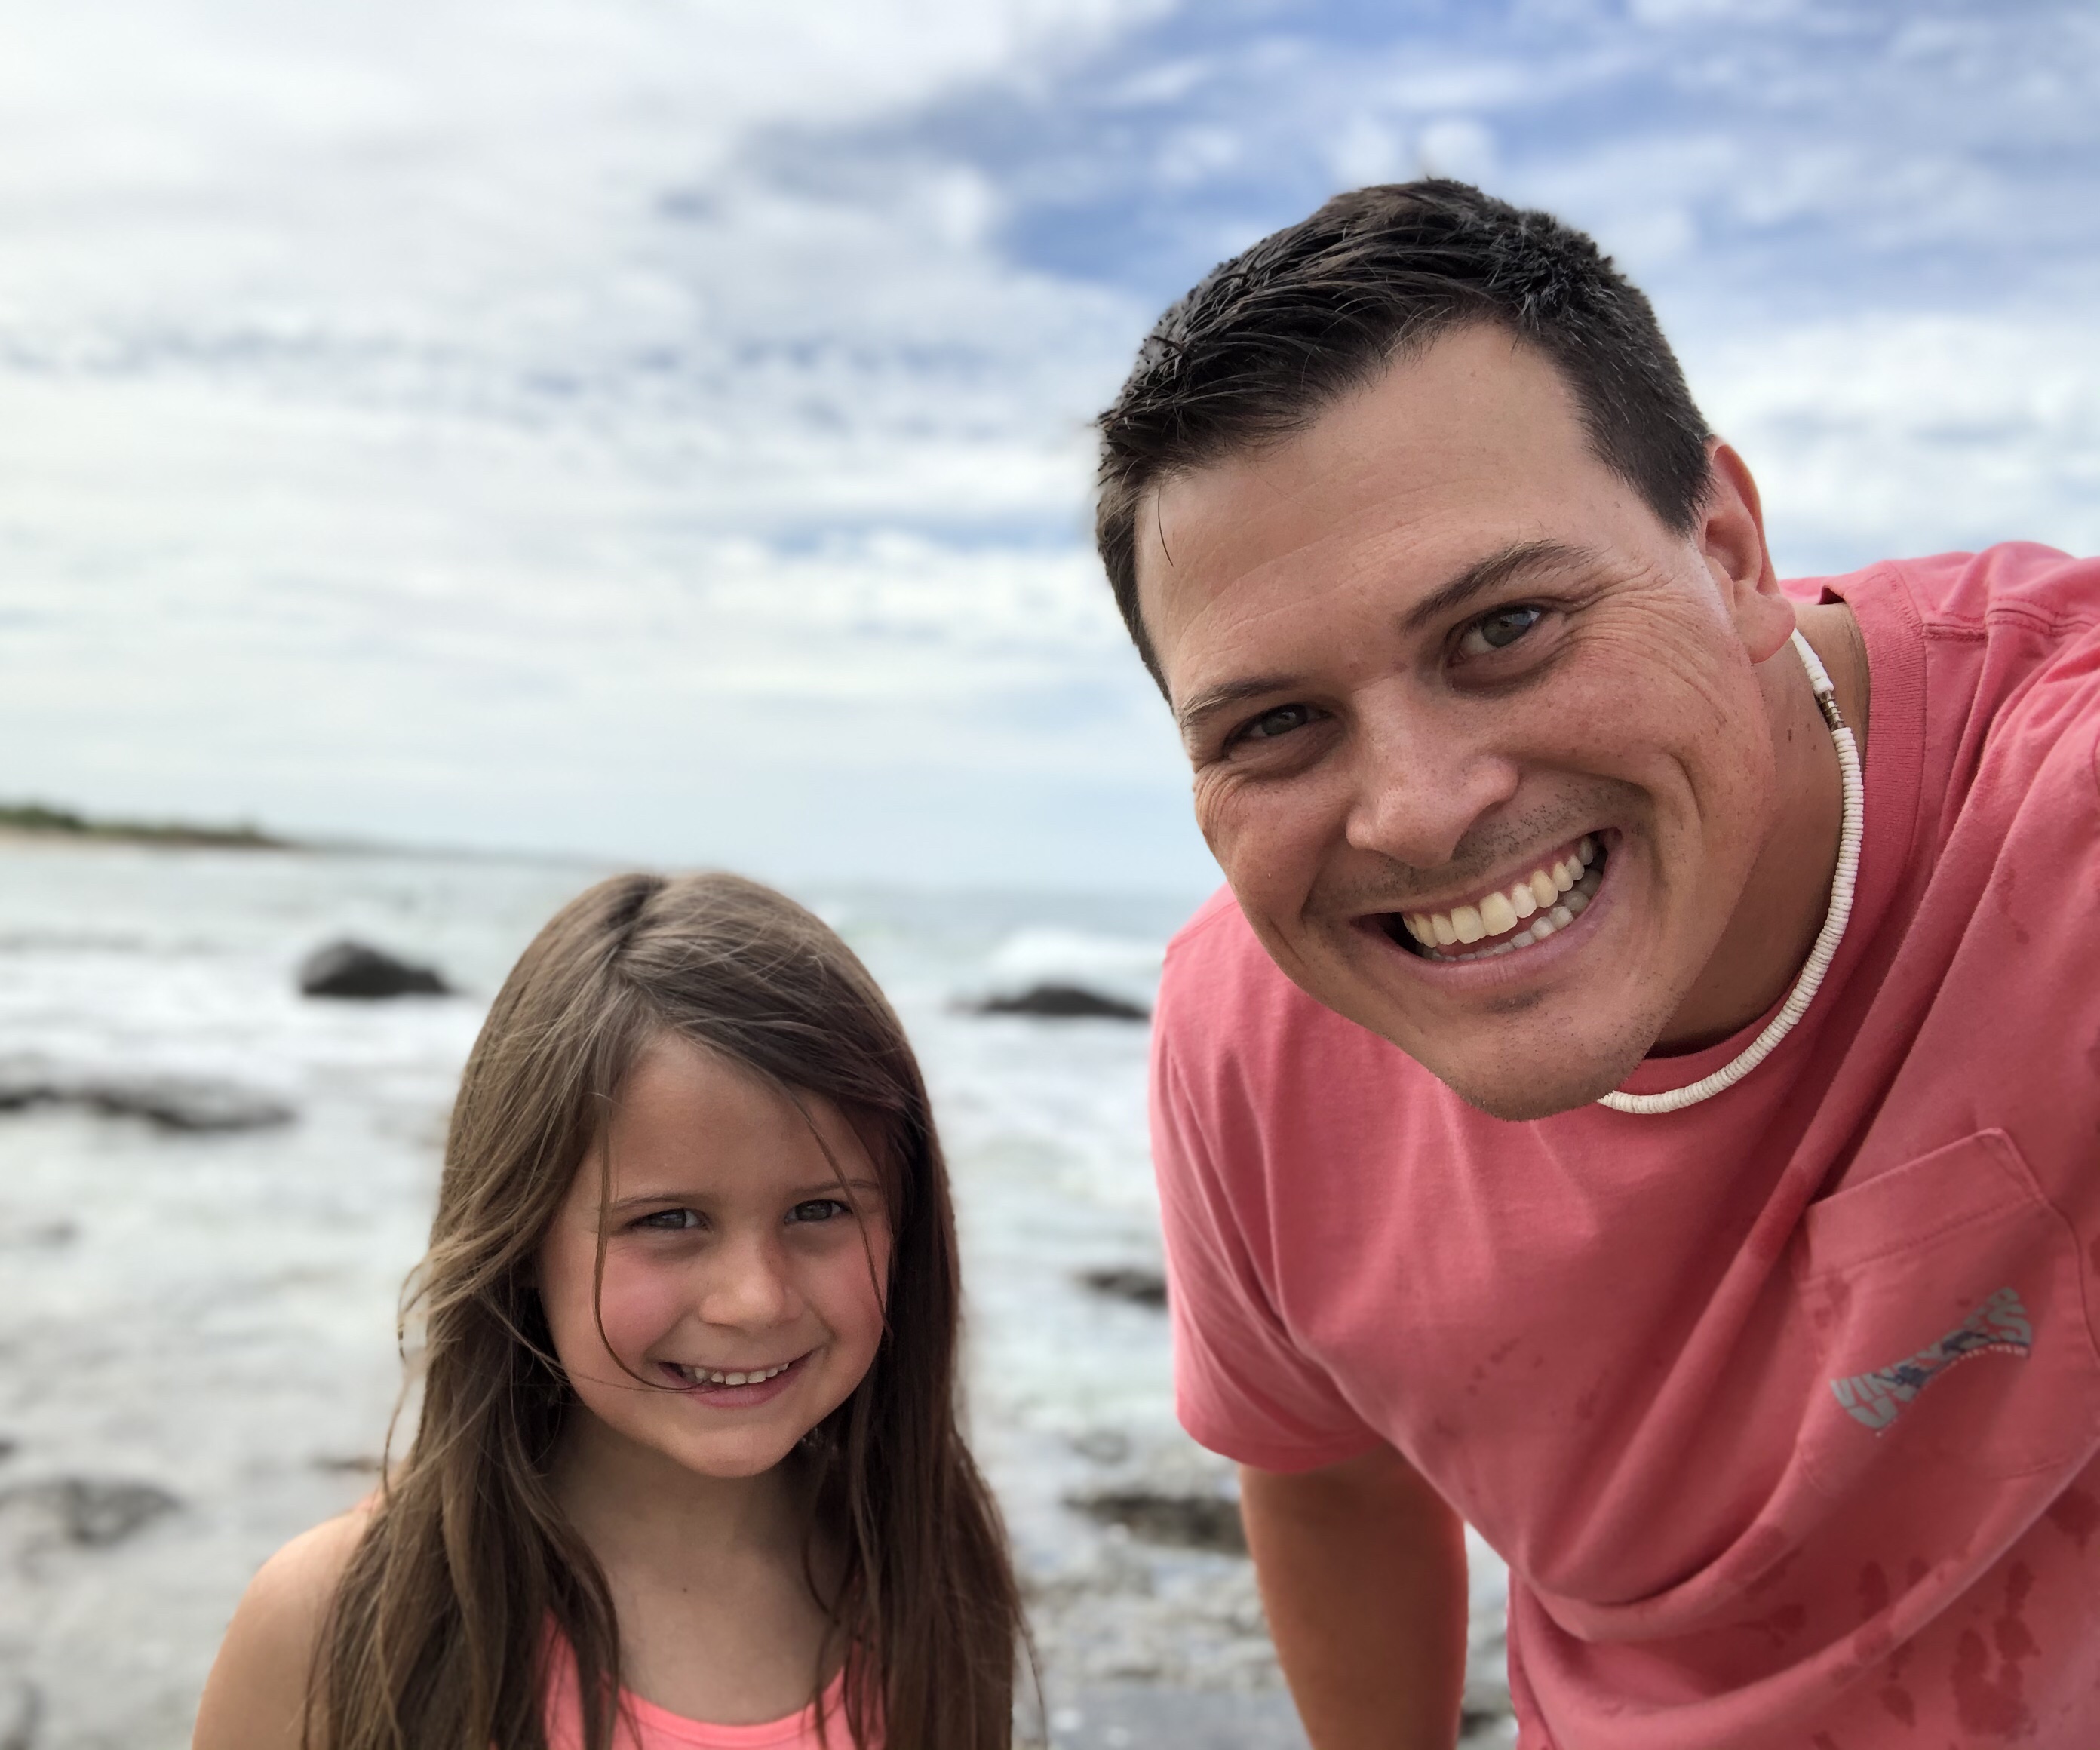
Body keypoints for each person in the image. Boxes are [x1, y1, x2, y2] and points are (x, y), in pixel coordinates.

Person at [1096, 180, 2100, 1748]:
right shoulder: (1244, 1033)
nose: (1417, 812)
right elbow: (1326, 1469)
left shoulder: (2049, 816)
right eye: (1274, 723)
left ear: (1728, 550)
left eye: (1504, 628)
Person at [189, 872, 1023, 1750]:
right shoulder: (337, 1618)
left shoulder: (930, 1574)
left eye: (819, 1209)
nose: (755, 1298)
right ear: (519, 1241)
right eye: (669, 1220)